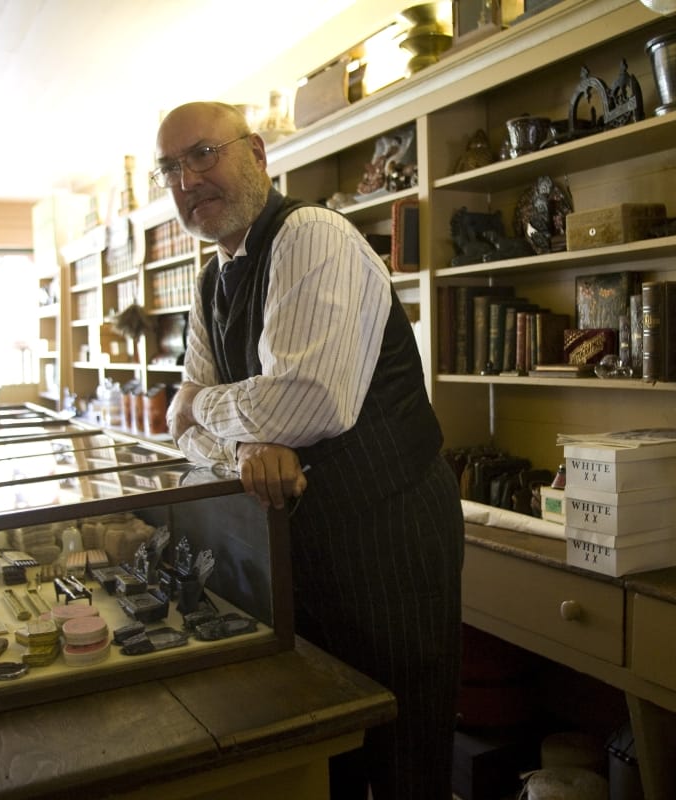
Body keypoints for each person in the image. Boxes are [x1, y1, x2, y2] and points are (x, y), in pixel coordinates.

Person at [159, 101, 464, 800]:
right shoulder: (208, 282)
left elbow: (307, 402)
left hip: (387, 538)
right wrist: (243, 450)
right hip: (295, 549)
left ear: (257, 154)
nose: (186, 180)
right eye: (169, 168)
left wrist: (198, 404)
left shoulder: (311, 235)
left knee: (404, 757)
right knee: (330, 754)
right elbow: (188, 443)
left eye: (202, 153)